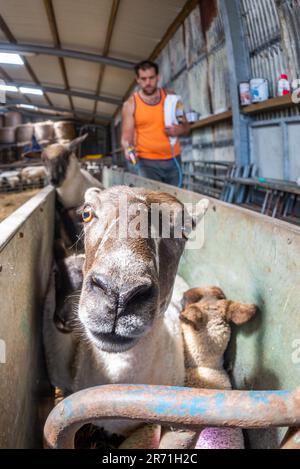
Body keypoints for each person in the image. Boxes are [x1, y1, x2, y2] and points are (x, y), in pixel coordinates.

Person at [121, 60, 190, 187]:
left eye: (151, 78)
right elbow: (126, 138)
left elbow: (186, 126)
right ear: (138, 80)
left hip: (173, 160)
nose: (148, 82)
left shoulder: (172, 98)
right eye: (143, 78)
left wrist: (179, 130)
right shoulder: (130, 104)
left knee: (173, 201)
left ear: (158, 77)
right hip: (147, 162)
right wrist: (128, 149)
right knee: (153, 202)